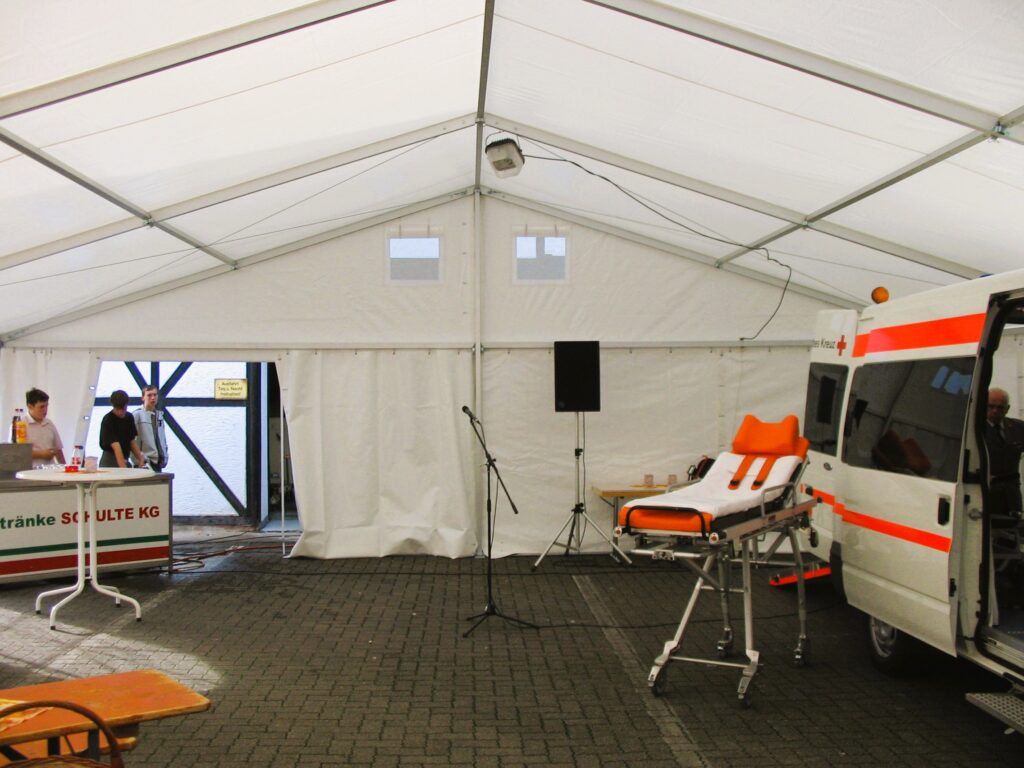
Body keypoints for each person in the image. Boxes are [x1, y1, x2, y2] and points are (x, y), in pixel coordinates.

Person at [984, 387, 1024, 516]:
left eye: (1000, 407)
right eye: (991, 406)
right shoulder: (975, 429)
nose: (995, 411)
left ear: (1007, 409)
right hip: (986, 493)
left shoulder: (1018, 427)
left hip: (1011, 496)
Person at [99, 390, 146, 469]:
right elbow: (116, 447)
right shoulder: (108, 420)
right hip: (110, 459)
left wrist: (140, 458)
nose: (121, 412)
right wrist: (123, 469)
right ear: (113, 406)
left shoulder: (129, 417)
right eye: (118, 409)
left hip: (124, 456)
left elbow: (132, 441)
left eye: (124, 409)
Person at [24, 387, 65, 466]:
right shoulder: (20, 424)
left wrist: (64, 468)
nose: (45, 410)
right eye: (41, 407)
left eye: (47, 406)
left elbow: (58, 450)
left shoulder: (49, 423)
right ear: (30, 406)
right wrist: (41, 454)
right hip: (30, 470)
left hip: (50, 469)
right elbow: (16, 452)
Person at [133, 385, 168, 472]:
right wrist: (138, 460)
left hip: (158, 462)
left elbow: (162, 438)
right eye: (149, 395)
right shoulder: (137, 415)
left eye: (155, 395)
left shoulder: (159, 415)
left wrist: (165, 455)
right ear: (143, 398)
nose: (153, 398)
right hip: (143, 463)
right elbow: (132, 441)